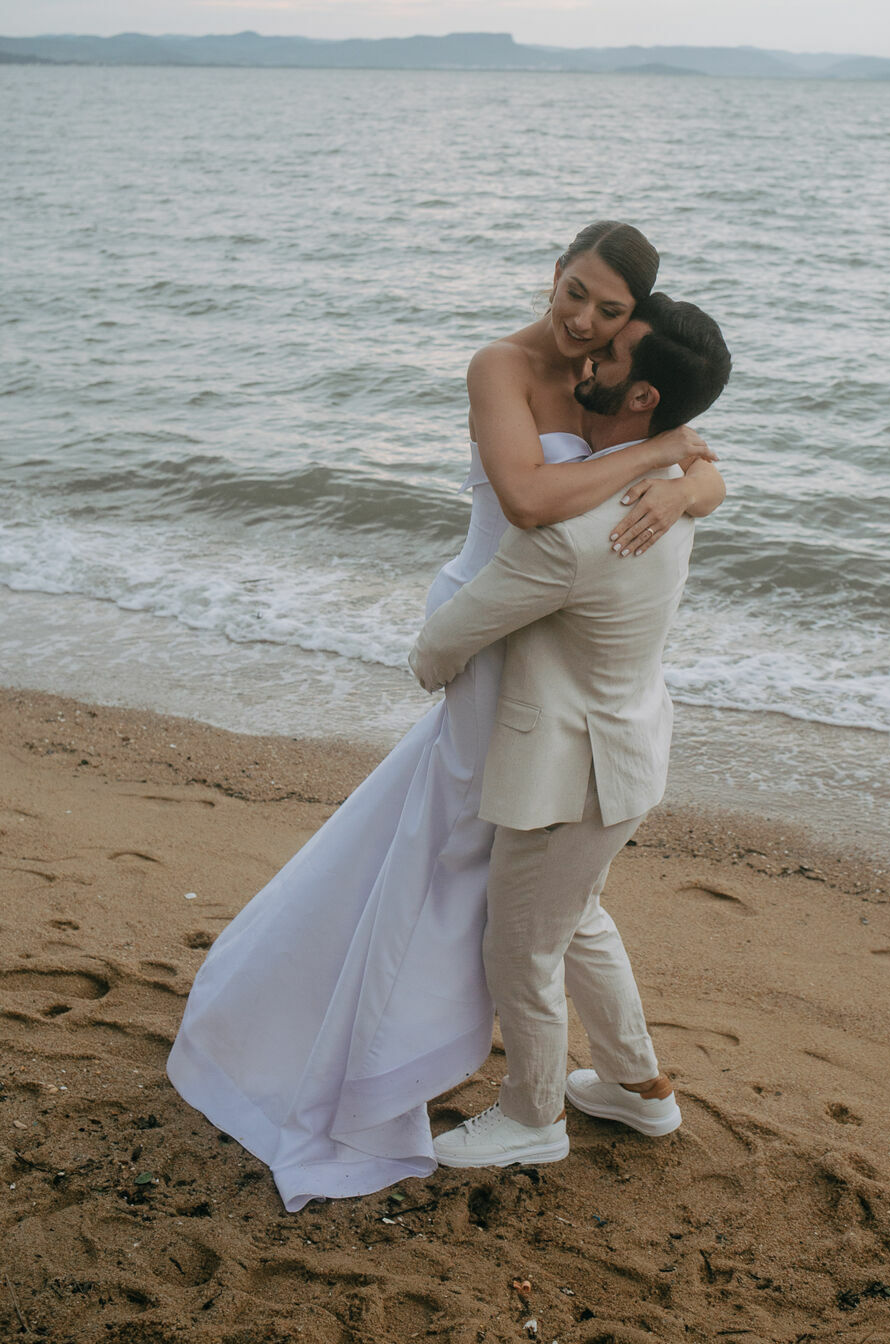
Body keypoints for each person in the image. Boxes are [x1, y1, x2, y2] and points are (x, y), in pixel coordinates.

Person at [167, 221, 723, 1211]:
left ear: (630, 325)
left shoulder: (617, 386)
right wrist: (668, 459)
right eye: (577, 292)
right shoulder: (502, 366)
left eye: (609, 311)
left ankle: (583, 1088)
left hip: (549, 655)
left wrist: (692, 480)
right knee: (475, 862)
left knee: (531, 890)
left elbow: (673, 466)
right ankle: (428, 1061)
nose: (584, 319)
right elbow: (525, 498)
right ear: (555, 272)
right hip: (492, 631)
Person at [410, 294, 732, 1167]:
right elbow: (709, 477)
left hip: (566, 772)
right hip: (627, 752)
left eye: (612, 354)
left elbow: (441, 645)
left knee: (519, 941)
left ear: (643, 399)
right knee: (576, 917)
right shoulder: (668, 494)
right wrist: (693, 476)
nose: (586, 361)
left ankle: (532, 1118)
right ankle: (638, 1090)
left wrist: (437, 674)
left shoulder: (575, 535)